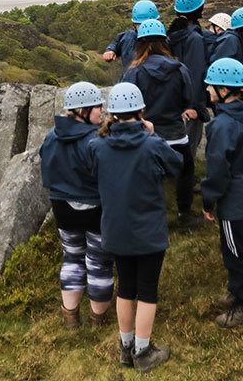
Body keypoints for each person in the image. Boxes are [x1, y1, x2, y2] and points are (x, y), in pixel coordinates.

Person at [85, 82, 182, 373]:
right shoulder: (151, 144)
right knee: (147, 290)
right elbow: (176, 166)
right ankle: (143, 351)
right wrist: (154, 134)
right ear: (141, 111)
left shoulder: (97, 146)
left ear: (111, 114)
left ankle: (125, 348)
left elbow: (93, 171)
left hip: (115, 229)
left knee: (125, 287)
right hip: (148, 230)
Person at [39, 82, 114, 330]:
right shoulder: (96, 140)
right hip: (95, 209)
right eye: (97, 106)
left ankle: (70, 318)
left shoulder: (52, 136)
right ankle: (97, 320)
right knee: (98, 262)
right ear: (83, 110)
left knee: (71, 257)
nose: (101, 110)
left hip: (62, 206)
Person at [122, 19, 207, 229]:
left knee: (148, 178)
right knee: (186, 172)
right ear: (165, 42)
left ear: (140, 43)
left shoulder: (133, 73)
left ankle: (150, 218)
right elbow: (187, 98)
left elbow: (127, 104)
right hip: (176, 133)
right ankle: (184, 215)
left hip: (146, 135)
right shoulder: (179, 69)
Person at [200, 58, 243, 328]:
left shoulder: (222, 125)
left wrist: (208, 200)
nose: (207, 90)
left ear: (223, 90)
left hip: (233, 200)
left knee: (235, 251)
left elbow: (217, 170)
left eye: (210, 86)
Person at [167, 0, 212, 158]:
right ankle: (186, 180)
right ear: (199, 10)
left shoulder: (172, 34)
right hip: (189, 102)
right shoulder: (194, 39)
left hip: (173, 98)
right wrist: (194, 106)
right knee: (190, 145)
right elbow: (195, 73)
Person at [102, 0, 159, 79]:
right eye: (141, 25)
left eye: (148, 24)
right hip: (129, 83)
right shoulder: (128, 37)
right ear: (134, 25)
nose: (145, 28)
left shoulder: (162, 42)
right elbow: (117, 41)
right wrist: (111, 50)